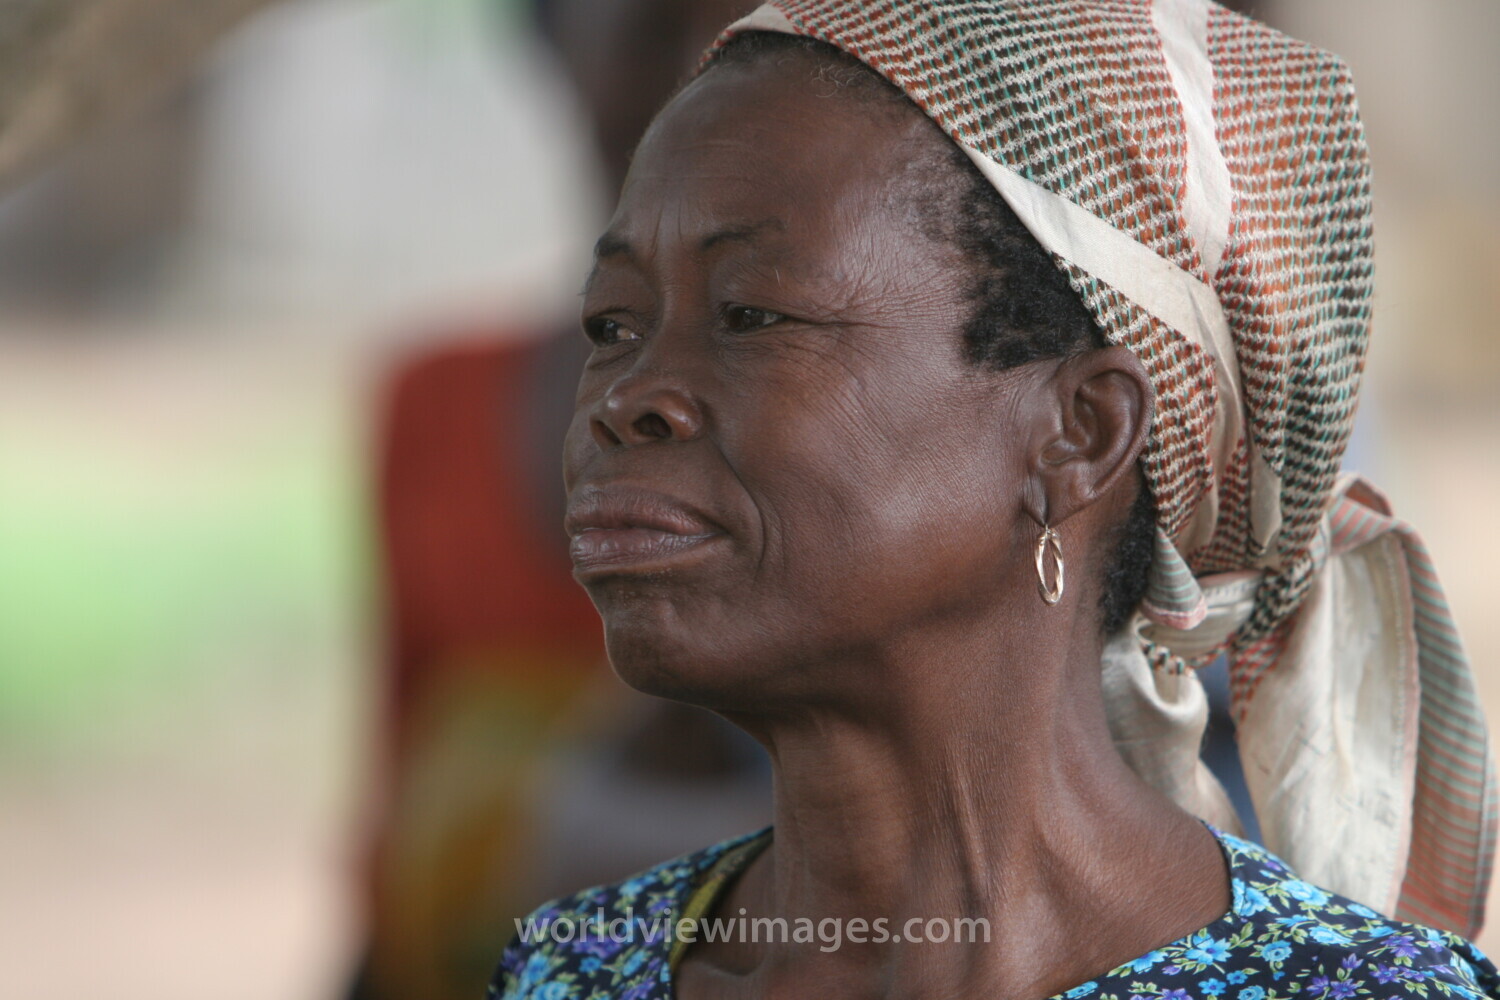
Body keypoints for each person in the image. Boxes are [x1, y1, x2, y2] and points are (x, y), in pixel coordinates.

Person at [488, 2, 1500, 998]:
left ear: (1081, 433)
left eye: (751, 313)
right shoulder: (572, 967)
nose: (626, 400)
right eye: (612, 323)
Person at [348, 3, 762, 1000]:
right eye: (659, 27)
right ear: (553, 50)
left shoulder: (879, 439)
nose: (713, 74)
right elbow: (399, 792)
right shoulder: (436, 403)